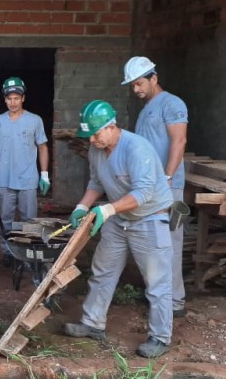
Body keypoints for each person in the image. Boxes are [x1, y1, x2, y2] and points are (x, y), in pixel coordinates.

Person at [63, 100, 174, 358]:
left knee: (157, 283)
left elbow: (144, 192)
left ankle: (160, 337)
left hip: (148, 219)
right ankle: (92, 323)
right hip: (119, 220)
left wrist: (107, 210)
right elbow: (95, 181)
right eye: (88, 135)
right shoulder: (96, 150)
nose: (91, 140)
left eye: (96, 133)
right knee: (103, 271)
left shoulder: (137, 149)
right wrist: (82, 206)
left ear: (111, 126)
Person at [123, 56, 189, 318]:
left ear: (154, 78)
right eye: (132, 86)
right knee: (152, 244)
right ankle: (158, 294)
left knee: (169, 244)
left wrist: (168, 177)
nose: (136, 89)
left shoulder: (171, 104)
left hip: (166, 188)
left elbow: (179, 141)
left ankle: (175, 301)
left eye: (139, 83)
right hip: (149, 189)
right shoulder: (146, 109)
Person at [0, 77, 49, 267]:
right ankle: (8, 253)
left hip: (28, 178)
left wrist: (44, 174)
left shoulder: (34, 120)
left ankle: (28, 254)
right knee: (6, 219)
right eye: (9, 98)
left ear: (23, 98)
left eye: (16, 98)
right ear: (5, 99)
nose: (13, 102)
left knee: (29, 219)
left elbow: (43, 147)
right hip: (4, 178)